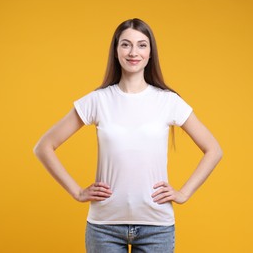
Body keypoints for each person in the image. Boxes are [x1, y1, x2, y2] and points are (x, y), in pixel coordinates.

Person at [33, 18, 223, 253]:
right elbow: (44, 146)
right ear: (115, 51)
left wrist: (184, 193)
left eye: (142, 45)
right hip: (104, 227)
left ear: (151, 52)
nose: (134, 52)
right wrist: (77, 191)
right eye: (126, 44)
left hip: (157, 227)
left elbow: (213, 149)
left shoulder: (168, 101)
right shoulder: (98, 100)